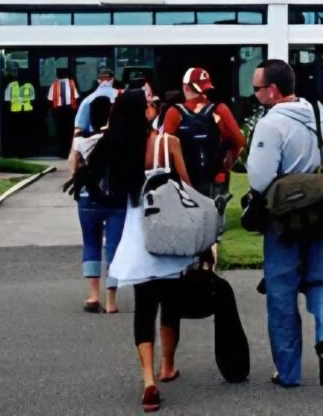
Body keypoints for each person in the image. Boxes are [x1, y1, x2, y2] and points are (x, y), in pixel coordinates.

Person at [247, 58, 323, 388]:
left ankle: (288, 372)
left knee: (281, 293)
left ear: (273, 90)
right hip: (322, 213)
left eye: (257, 88)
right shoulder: (320, 113)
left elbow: (260, 179)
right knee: (320, 282)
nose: (254, 94)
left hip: (285, 221)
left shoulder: (270, 124)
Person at [104, 90, 195, 413]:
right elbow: (187, 188)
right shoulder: (167, 143)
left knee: (144, 308)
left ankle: (147, 380)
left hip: (137, 239)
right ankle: (167, 365)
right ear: (144, 112)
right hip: (169, 235)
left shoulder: (118, 147)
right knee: (170, 304)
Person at [68, 95, 123, 314]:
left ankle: (93, 295)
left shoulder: (81, 140)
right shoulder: (118, 139)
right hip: (115, 199)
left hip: (87, 199)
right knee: (114, 246)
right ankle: (111, 300)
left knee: (91, 243)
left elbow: (74, 168)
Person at [162, 68, 245, 203]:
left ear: (185, 87)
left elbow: (166, 152)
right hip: (213, 179)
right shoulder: (220, 109)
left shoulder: (173, 113)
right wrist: (224, 169)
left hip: (184, 182)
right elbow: (239, 142)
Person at [74, 68, 120, 138]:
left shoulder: (87, 100)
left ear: (98, 80)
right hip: (117, 137)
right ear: (112, 79)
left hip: (93, 139)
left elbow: (79, 127)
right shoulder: (121, 96)